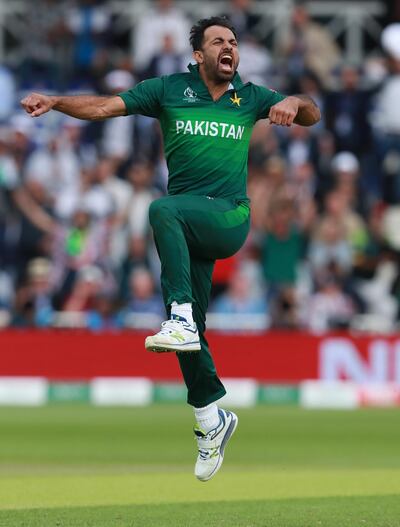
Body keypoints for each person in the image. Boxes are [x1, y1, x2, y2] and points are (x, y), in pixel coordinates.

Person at [21, 16, 320, 482]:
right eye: (219, 41)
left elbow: (312, 113)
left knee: (162, 211)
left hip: (229, 217)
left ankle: (178, 315)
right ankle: (210, 422)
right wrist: (57, 101)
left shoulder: (253, 96)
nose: (229, 48)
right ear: (198, 55)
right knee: (188, 333)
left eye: (234, 42)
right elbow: (103, 107)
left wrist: (296, 103)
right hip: (189, 225)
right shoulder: (167, 89)